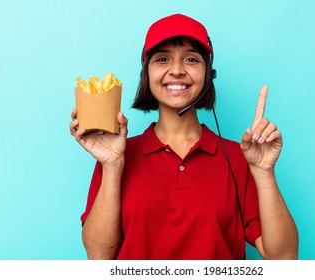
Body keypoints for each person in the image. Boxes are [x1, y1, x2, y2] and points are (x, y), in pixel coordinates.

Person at [69, 14, 298, 260]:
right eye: (163, 59)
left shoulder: (240, 158)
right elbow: (99, 256)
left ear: (209, 74)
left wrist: (264, 173)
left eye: (191, 59)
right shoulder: (117, 155)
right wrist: (112, 166)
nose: (176, 70)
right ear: (147, 73)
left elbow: (283, 258)